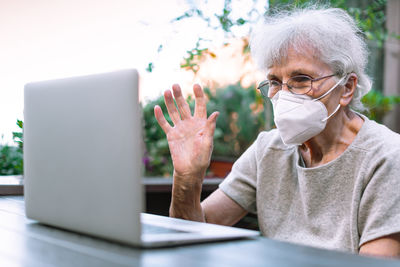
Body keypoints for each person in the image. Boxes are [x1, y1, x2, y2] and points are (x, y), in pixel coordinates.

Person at [154, 7, 400, 257]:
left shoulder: (387, 157)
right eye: (274, 82)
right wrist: (187, 179)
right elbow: (193, 233)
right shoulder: (268, 149)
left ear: (346, 88)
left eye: (301, 79)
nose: (283, 95)